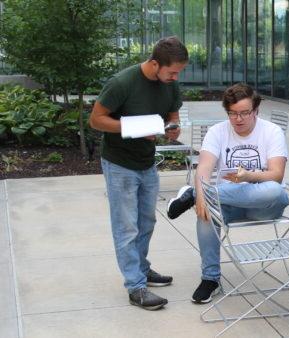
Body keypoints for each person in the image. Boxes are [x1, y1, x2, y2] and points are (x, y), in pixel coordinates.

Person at [166, 83, 289, 304]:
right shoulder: (218, 131)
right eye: (232, 113)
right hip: (228, 204)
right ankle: (210, 279)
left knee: (274, 190)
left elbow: (277, 174)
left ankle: (193, 194)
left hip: (263, 206)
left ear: (256, 111)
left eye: (244, 113)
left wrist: (248, 177)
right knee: (207, 212)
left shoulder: (271, 131)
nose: (238, 119)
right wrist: (204, 196)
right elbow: (203, 168)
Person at [89, 36, 188, 311]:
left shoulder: (170, 84)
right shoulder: (123, 82)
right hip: (120, 163)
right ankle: (135, 286)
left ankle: (141, 269)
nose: (176, 77)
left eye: (179, 72)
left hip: (147, 162)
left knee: (147, 222)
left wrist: (173, 127)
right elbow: (95, 119)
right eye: (172, 72)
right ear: (155, 63)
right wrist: (133, 128)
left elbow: (173, 115)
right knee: (126, 227)